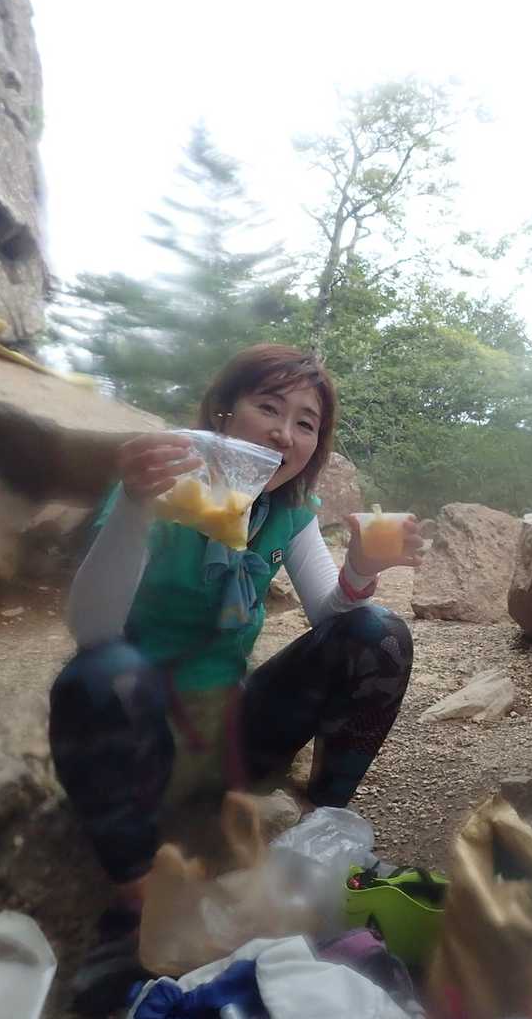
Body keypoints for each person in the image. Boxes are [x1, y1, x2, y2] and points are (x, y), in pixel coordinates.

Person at [49, 344, 423, 1012]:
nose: (285, 434)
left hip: (231, 732)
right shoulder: (163, 490)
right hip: (141, 736)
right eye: (269, 408)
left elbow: (333, 619)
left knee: (379, 632)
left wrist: (362, 569)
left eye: (306, 423)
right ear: (223, 412)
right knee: (105, 671)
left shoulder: (287, 513)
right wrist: (135, 504)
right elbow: (93, 628)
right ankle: (135, 900)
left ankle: (321, 827)